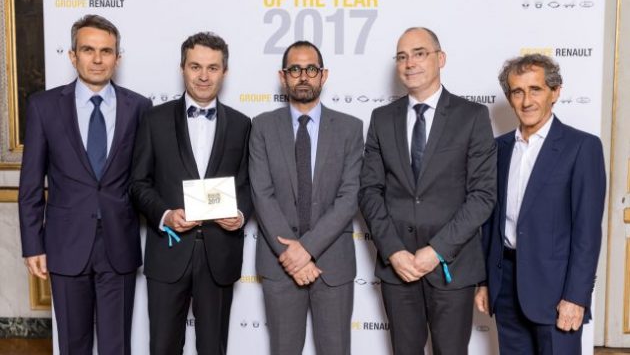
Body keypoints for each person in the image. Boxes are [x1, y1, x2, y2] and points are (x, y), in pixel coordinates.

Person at [18, 14, 151, 355]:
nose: (97, 59)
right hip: (65, 244)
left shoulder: (139, 107)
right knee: (72, 345)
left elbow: (145, 177)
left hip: (119, 244)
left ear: (117, 58)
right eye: (88, 49)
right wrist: (32, 245)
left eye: (106, 51)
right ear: (72, 55)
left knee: (116, 346)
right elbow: (31, 184)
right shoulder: (43, 106)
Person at [359, 27, 497, 354]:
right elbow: (369, 191)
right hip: (398, 268)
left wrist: (436, 251)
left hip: (452, 267)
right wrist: (393, 251)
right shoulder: (381, 118)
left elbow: (482, 195)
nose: (410, 63)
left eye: (419, 53)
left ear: (440, 58)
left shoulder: (472, 116)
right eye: (402, 57)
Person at [130, 32, 252, 355]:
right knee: (163, 348)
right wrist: (165, 215)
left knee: (213, 349)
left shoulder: (242, 124)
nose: (203, 76)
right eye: (195, 66)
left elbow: (247, 185)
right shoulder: (154, 120)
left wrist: (240, 215)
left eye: (213, 68)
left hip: (219, 255)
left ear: (225, 72)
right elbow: (138, 183)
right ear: (182, 68)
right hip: (168, 252)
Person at [475, 54, 606, 354]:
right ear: (509, 97)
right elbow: (490, 222)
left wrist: (576, 297)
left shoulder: (581, 147)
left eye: (535, 89)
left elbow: (587, 233)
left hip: (557, 291)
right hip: (505, 285)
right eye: (517, 92)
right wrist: (485, 281)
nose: (526, 101)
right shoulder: (498, 148)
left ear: (555, 92)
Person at [249, 41, 363, 355]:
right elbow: (262, 194)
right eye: (295, 70)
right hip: (280, 265)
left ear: (323, 75)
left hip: (333, 265)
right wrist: (293, 256)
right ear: (283, 76)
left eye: (311, 69)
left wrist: (307, 249)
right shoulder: (262, 126)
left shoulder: (350, 129)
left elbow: (349, 196)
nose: (303, 76)